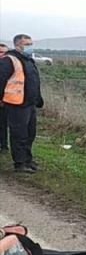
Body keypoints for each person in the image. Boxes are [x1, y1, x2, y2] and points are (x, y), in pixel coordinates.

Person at [0, 35, 44, 172]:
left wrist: (38, 99)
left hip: (29, 103)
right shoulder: (9, 60)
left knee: (30, 133)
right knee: (19, 134)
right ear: (18, 45)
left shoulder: (28, 60)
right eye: (27, 44)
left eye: (31, 43)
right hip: (16, 103)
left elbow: (34, 81)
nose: (30, 46)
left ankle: (27, 160)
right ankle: (19, 163)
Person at [0, 43, 8, 153]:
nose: (3, 55)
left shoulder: (9, 67)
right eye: (1, 52)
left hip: (6, 100)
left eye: (5, 53)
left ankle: (4, 144)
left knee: (3, 123)